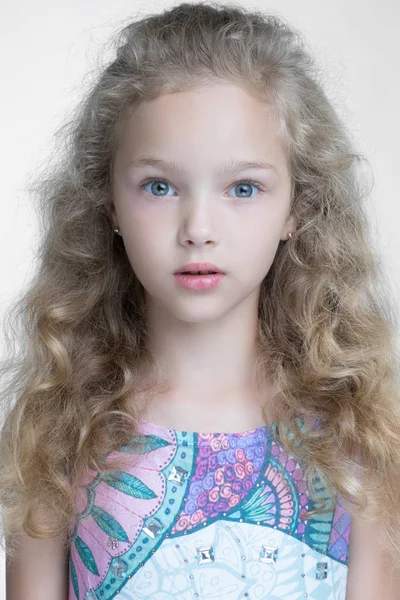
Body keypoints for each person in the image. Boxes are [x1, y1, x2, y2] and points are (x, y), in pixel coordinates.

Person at [1, 2, 400, 599]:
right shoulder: (60, 429)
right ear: (108, 201)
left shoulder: (357, 435)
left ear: (297, 205)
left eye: (244, 187)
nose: (199, 228)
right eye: (159, 186)